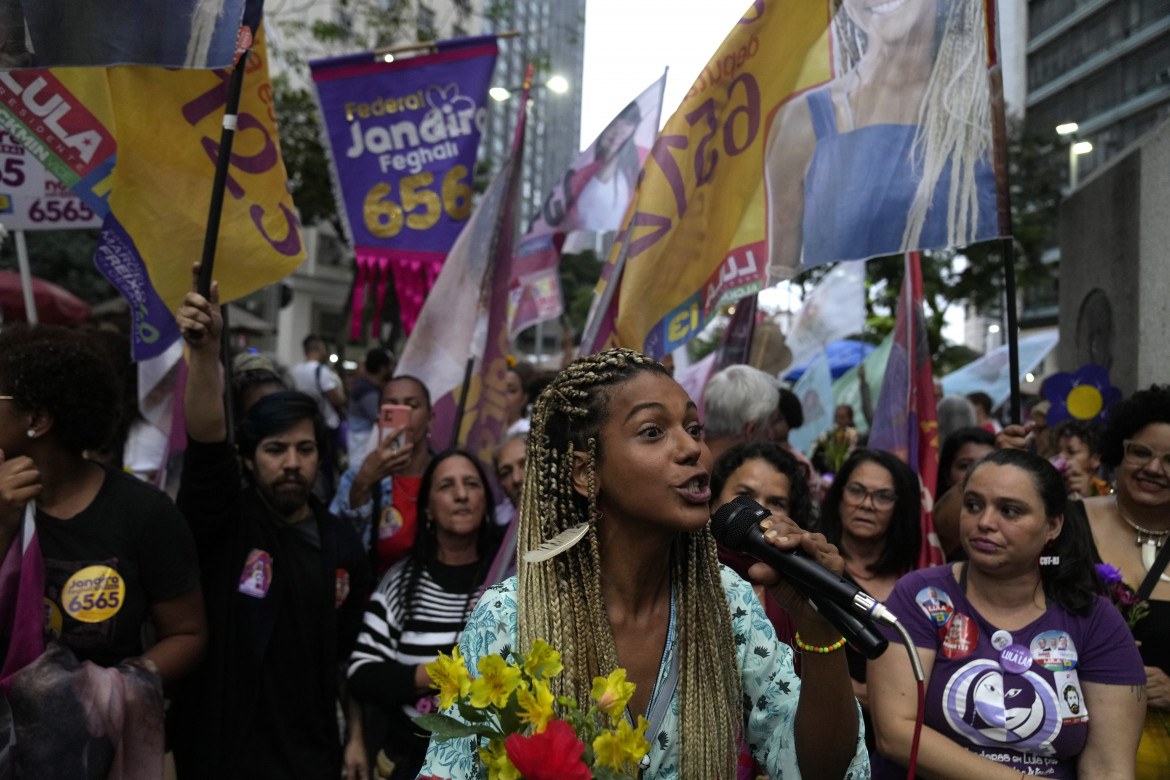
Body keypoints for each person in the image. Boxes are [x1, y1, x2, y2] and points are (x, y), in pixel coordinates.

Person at [418, 348, 867, 778]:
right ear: (582, 472)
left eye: (694, 429)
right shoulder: (509, 618)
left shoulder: (729, 604)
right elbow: (450, 769)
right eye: (653, 431)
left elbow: (817, 769)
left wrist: (819, 626)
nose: (691, 449)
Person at [172, 271, 372, 780]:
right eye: (275, 449)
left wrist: (355, 736)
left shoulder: (343, 545)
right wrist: (204, 353)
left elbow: (351, 656)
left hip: (311, 753)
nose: (291, 463)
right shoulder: (228, 522)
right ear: (247, 459)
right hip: (226, 748)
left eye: (304, 450)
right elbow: (207, 445)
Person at [869, 448, 1146, 778]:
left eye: (1009, 511)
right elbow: (896, 735)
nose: (985, 522)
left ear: (1053, 525)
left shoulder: (1095, 619)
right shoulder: (922, 596)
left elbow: (1109, 768)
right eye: (973, 506)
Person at [0, 324, 206, 678]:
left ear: (37, 419)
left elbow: (187, 633)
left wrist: (115, 693)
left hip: (101, 731)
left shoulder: (143, 513)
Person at [764, 0, 997, 277]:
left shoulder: (987, 105)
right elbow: (780, 277)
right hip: (849, 319)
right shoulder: (801, 122)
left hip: (968, 316)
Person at [347, 449, 503, 779]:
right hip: (408, 758)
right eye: (446, 486)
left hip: (492, 760)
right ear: (428, 508)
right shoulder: (401, 582)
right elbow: (361, 674)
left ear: (487, 500)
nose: (461, 495)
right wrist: (435, 674)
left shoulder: (508, 577)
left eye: (472, 484)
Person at [1077, 385, 1170, 777]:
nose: (1154, 468)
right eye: (1141, 452)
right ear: (1119, 451)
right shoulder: (1063, 523)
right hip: (1064, 746)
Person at [815, 448, 920, 736]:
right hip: (832, 729)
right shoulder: (811, 567)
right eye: (857, 491)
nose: (867, 504)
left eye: (883, 496)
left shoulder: (918, 577)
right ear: (838, 498)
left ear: (901, 507)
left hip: (907, 737)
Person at [332, 375, 435, 575]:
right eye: (392, 407)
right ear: (380, 419)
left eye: (412, 406)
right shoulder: (355, 479)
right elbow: (339, 548)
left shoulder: (447, 474)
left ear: (430, 418)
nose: (404, 415)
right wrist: (363, 483)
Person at [291, 335, 347, 498]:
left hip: (303, 422)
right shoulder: (321, 371)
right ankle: (325, 496)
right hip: (326, 425)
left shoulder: (295, 370)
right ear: (318, 350)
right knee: (326, 464)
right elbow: (336, 399)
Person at [701, 364, 780, 462]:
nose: (771, 435)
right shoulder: (731, 474)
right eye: (771, 424)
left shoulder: (685, 464)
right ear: (751, 429)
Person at [347, 348, 395, 459]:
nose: (392, 369)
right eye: (390, 366)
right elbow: (377, 417)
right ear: (383, 369)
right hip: (363, 441)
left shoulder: (366, 386)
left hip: (360, 440)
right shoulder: (367, 390)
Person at [1054, 419, 1107, 498]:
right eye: (1058, 451)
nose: (1060, 457)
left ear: (1095, 459)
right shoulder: (1053, 488)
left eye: (1071, 452)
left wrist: (1089, 496)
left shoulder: (1110, 497)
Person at [936, 426, 995, 498]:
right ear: (947, 475)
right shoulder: (928, 508)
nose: (977, 474)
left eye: (987, 466)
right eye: (966, 466)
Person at [502, 366, 531, 437]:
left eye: (512, 390)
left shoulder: (527, 431)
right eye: (498, 390)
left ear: (524, 399)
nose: (503, 396)